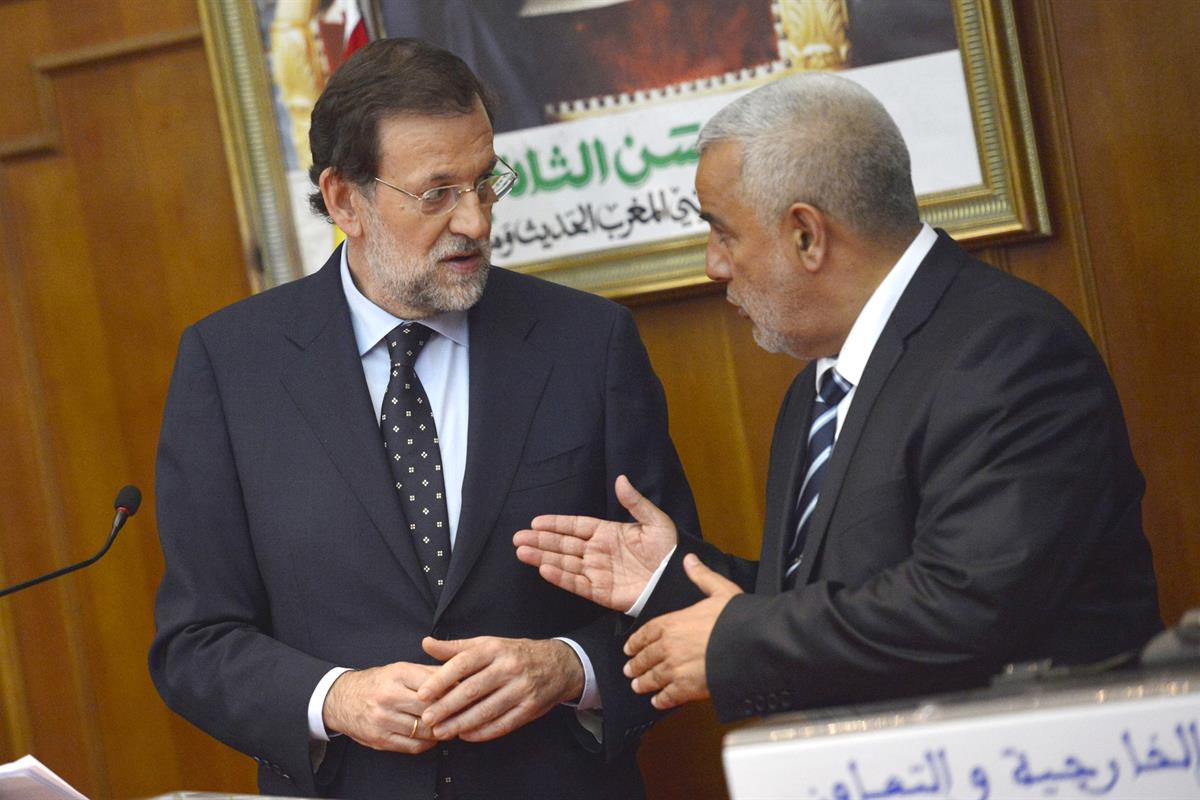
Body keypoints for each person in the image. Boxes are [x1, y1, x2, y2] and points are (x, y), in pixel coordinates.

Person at [515, 72, 1162, 723]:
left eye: (723, 233)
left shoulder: (1008, 350)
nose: (715, 264)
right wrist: (668, 576)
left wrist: (737, 642)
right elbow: (831, 597)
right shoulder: (818, 385)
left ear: (806, 234)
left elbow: (968, 604)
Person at [149, 38, 698, 799]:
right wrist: (333, 699)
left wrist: (570, 669)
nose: (475, 220)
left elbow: (682, 591)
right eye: (437, 193)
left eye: (485, 182)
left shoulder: (587, 343)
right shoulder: (231, 365)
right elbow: (195, 642)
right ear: (345, 200)